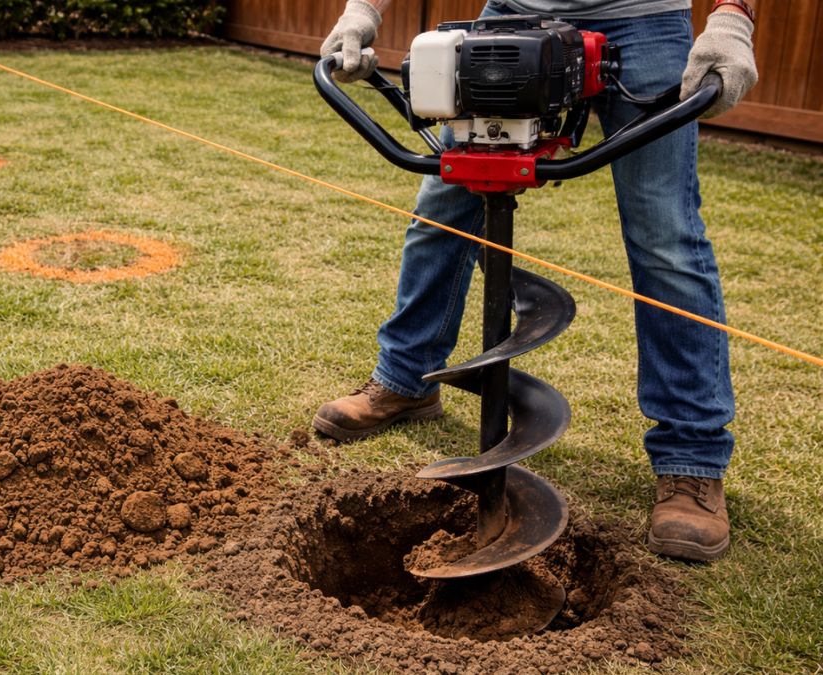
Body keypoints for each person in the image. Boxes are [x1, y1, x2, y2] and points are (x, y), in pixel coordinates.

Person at [314, 0, 757, 562]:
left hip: (645, 21)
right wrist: (362, 11)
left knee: (665, 237)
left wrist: (732, 19)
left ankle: (690, 461)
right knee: (442, 206)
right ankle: (406, 380)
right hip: (511, 17)